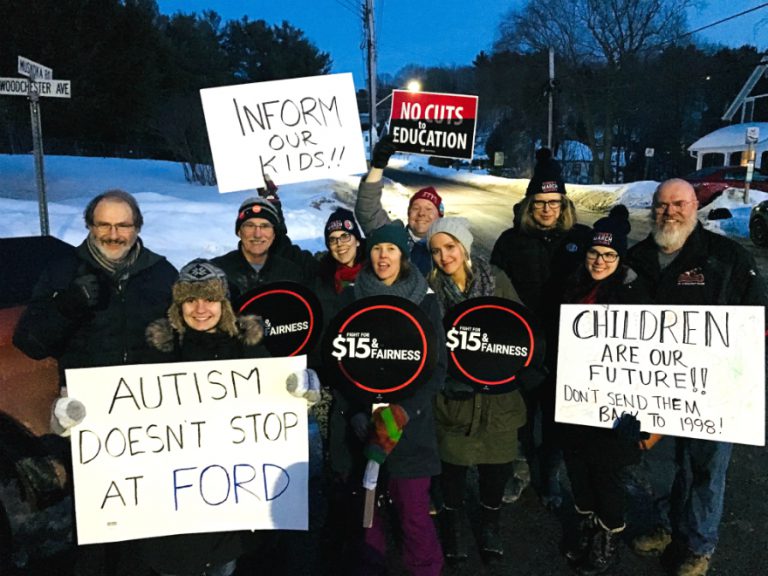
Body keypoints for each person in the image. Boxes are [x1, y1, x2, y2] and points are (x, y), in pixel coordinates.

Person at [12, 189, 178, 573]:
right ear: (89, 225)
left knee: (149, 515)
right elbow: (30, 342)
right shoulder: (63, 271)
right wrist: (65, 305)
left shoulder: (162, 273)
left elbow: (191, 334)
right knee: (97, 521)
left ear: (137, 227)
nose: (113, 234)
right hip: (90, 417)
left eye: (123, 225)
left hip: (148, 416)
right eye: (104, 224)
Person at [627, 178, 768, 576]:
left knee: (706, 467)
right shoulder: (637, 257)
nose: (668, 212)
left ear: (694, 206)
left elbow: (757, 319)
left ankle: (699, 543)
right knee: (662, 463)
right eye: (661, 205)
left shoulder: (726, 257)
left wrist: (741, 374)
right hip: (653, 385)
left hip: (714, 387)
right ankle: (667, 525)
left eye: (678, 204)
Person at [130, 258, 269, 576]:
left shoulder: (248, 349)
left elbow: (275, 406)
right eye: (191, 299)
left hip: (228, 511)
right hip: (172, 516)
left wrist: (299, 391)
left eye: (210, 298)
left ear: (225, 304)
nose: (200, 308)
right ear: (178, 305)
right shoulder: (156, 352)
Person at [331, 220, 447, 576]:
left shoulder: (425, 301)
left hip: (409, 428)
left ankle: (425, 569)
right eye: (378, 248)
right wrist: (353, 412)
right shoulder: (352, 296)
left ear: (403, 255)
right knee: (368, 514)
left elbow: (437, 368)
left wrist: (404, 410)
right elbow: (338, 361)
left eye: (392, 249)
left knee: (413, 513)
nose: (383, 257)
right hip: (364, 425)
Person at [490, 148, 592, 507]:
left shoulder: (583, 238)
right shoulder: (510, 241)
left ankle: (549, 476)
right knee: (519, 417)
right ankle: (519, 471)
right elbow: (494, 296)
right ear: (529, 204)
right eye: (540, 202)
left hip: (569, 348)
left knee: (556, 419)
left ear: (564, 204)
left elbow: (606, 274)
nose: (548, 209)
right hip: (524, 346)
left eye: (555, 201)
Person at [425, 217, 527, 562]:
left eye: (450, 247)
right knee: (452, 471)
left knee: (494, 472)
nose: (444, 256)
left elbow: (519, 328)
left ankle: (490, 527)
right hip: (454, 402)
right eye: (436, 251)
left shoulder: (495, 280)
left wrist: (518, 367)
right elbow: (428, 344)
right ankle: (453, 529)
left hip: (498, 400)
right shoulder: (430, 290)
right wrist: (444, 376)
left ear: (464, 246)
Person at [558, 208, 651, 575]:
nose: (599, 261)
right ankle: (586, 527)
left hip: (616, 405)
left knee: (606, 475)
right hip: (576, 397)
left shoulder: (635, 293)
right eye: (594, 253)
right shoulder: (575, 282)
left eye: (609, 255)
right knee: (578, 466)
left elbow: (650, 356)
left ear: (620, 257)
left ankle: (607, 540)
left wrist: (645, 414)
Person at [355, 135, 444, 275]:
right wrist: (378, 166)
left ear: (440, 216)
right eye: (415, 208)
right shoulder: (392, 237)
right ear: (408, 213)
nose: (421, 213)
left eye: (429, 209)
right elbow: (368, 211)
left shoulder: (449, 247)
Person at [211, 197, 305, 301]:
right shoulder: (216, 271)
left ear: (274, 234)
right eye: (250, 225)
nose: (257, 234)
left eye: (265, 226)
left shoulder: (290, 273)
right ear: (239, 232)